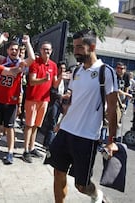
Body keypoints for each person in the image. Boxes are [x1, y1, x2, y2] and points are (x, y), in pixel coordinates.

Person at [44, 29, 118, 203]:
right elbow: (72, 102)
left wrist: (112, 140)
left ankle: (96, 195)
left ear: (92, 46)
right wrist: (61, 122)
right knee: (58, 172)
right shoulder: (76, 71)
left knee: (81, 186)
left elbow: (112, 109)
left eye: (79, 47)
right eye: (74, 47)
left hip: (87, 137)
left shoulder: (106, 72)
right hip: (65, 132)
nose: (75, 51)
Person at [0, 33, 35, 164]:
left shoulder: (21, 63)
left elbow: (32, 58)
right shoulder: (2, 60)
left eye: (16, 49)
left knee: (10, 127)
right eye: (12, 49)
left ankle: (10, 152)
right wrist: (1, 39)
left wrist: (27, 43)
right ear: (7, 50)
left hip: (12, 100)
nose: (14, 51)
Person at [22, 41, 62, 163]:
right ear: (40, 50)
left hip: (44, 100)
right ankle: (25, 151)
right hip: (32, 98)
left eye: (49, 49)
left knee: (36, 126)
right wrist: (44, 79)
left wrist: (61, 77)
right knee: (29, 125)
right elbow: (32, 81)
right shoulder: (34, 63)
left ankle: (32, 147)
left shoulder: (53, 65)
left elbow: (54, 84)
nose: (47, 52)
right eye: (45, 49)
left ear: (52, 51)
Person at [41, 61, 70, 149]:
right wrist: (61, 96)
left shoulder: (65, 81)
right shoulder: (54, 79)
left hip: (61, 103)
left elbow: (67, 90)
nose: (62, 70)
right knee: (52, 122)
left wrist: (67, 94)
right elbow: (52, 91)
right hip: (54, 102)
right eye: (61, 68)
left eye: (64, 69)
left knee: (56, 122)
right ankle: (49, 144)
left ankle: (48, 142)